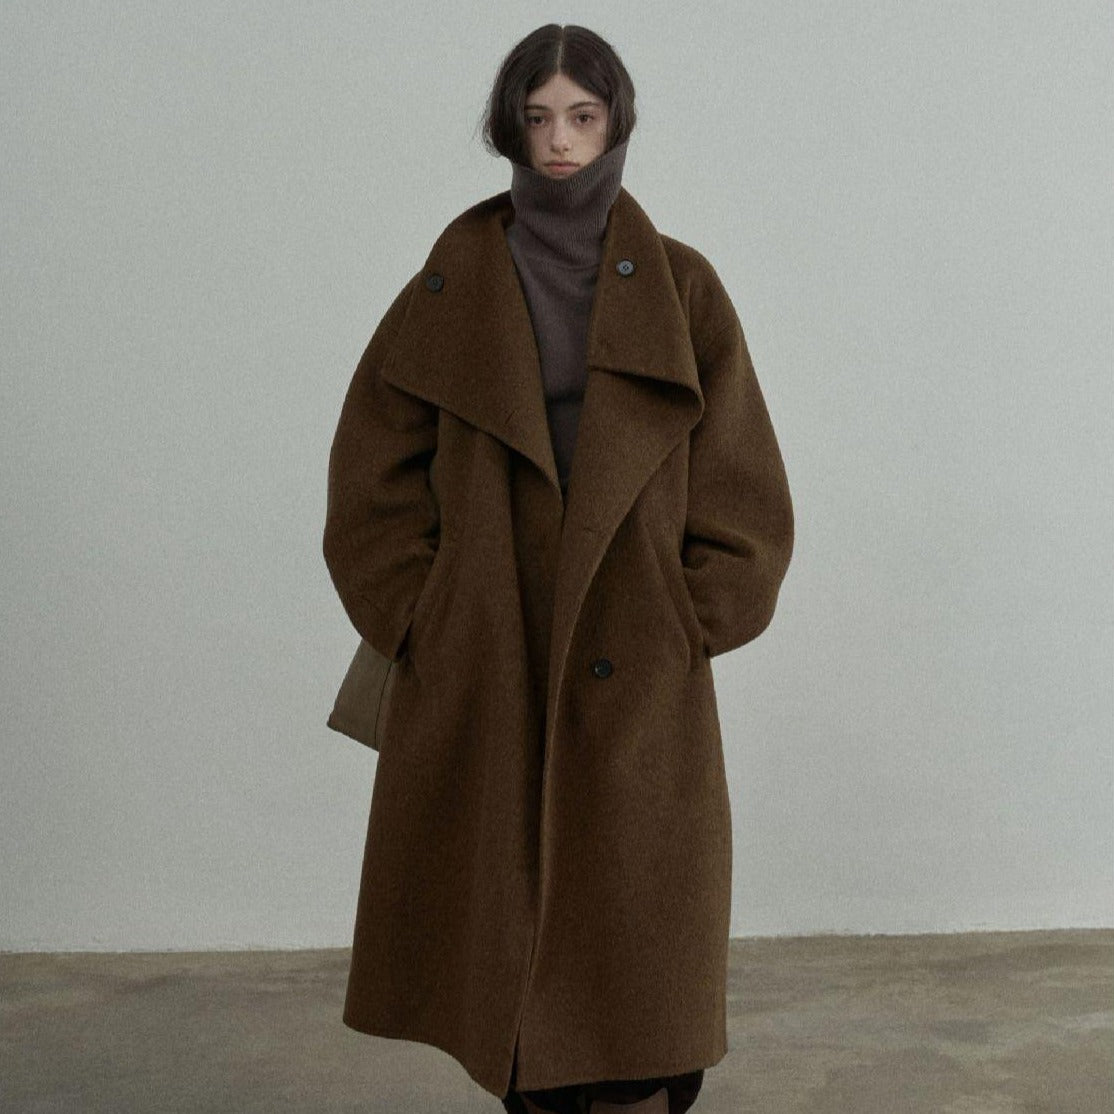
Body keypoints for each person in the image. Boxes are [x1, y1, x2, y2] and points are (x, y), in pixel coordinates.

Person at [323, 23, 794, 1114]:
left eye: (582, 115)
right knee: (501, 927)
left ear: (617, 120)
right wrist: (426, 613)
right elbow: (370, 477)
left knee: (643, 932)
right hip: (490, 643)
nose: (560, 141)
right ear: (509, 127)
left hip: (634, 644)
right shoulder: (450, 283)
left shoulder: (682, 286)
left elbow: (743, 482)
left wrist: (689, 615)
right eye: (537, 117)